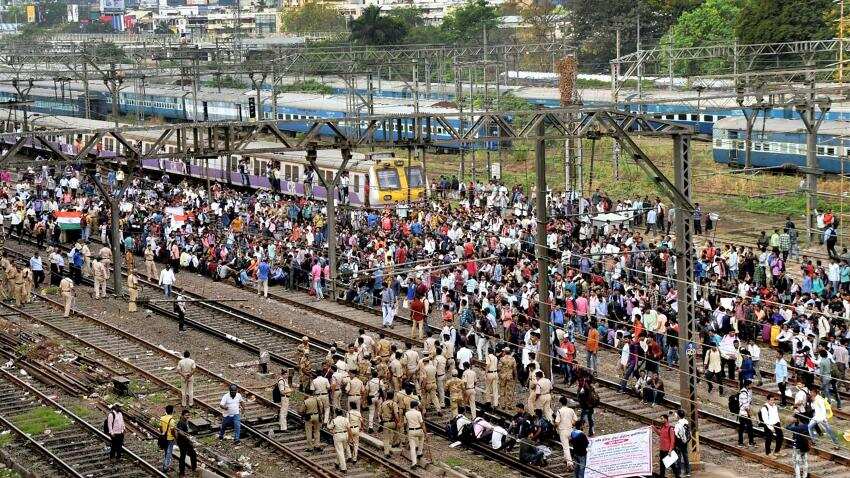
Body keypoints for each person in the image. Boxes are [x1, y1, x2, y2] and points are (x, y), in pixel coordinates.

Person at [653, 412, 680, 478]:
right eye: (661, 419)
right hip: (662, 449)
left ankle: (677, 476)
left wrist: (670, 450)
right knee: (662, 465)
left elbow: (672, 440)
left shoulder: (670, 428)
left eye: (662, 419)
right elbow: (660, 434)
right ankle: (662, 476)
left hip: (668, 450)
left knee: (672, 464)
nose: (661, 420)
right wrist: (654, 428)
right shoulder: (662, 427)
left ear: (666, 419)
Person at [554, 396, 577, 470]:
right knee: (568, 445)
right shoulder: (571, 410)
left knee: (566, 447)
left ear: (560, 403)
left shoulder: (559, 411)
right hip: (570, 430)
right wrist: (571, 424)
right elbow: (575, 420)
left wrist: (554, 426)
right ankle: (566, 458)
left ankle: (569, 463)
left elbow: (557, 422)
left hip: (563, 431)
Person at [786, 414, 810, 478]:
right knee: (805, 461)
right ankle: (805, 475)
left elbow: (787, 428)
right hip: (805, 446)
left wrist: (792, 422)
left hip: (798, 446)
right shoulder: (807, 426)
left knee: (796, 462)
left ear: (799, 419)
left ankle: (798, 476)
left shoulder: (798, 428)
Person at [176, 409, 197, 477]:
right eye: (186, 415)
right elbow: (179, 431)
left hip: (187, 442)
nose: (187, 416)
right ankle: (181, 473)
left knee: (193, 454)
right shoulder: (181, 422)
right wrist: (186, 436)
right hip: (182, 442)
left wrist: (189, 438)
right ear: (182, 415)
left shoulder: (186, 422)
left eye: (188, 415)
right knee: (183, 457)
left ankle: (194, 468)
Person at [405, 400, 426, 469]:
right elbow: (422, 423)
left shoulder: (407, 413)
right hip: (419, 429)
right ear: (416, 406)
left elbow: (406, 423)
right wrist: (425, 432)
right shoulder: (418, 413)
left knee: (412, 448)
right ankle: (419, 452)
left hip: (411, 431)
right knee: (421, 439)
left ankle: (414, 463)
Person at [380, 389, 401, 457]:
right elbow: (396, 414)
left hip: (385, 422)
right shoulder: (394, 403)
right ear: (392, 396)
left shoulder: (383, 403)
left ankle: (386, 453)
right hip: (393, 422)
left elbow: (379, 413)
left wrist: (382, 420)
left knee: (386, 439)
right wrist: (398, 421)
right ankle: (394, 443)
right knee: (397, 432)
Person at [673, 409, 691, 477]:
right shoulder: (686, 421)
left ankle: (679, 472)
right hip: (685, 441)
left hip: (679, 442)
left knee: (679, 457)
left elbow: (676, 434)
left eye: (676, 414)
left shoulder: (678, 424)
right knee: (686, 456)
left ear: (678, 415)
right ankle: (688, 471)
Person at [160, 405, 177, 473]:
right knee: (169, 452)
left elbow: (161, 428)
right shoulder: (172, 420)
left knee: (166, 451)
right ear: (172, 411)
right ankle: (166, 467)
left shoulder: (162, 418)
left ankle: (165, 464)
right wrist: (175, 438)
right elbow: (173, 431)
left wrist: (163, 433)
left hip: (164, 437)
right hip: (170, 438)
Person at [737, 380, 755, 447]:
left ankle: (750, 442)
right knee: (743, 428)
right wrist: (750, 415)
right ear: (748, 385)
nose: (752, 385)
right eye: (751, 384)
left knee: (749, 427)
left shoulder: (748, 391)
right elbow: (745, 406)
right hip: (743, 414)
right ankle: (741, 442)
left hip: (745, 414)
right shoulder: (743, 393)